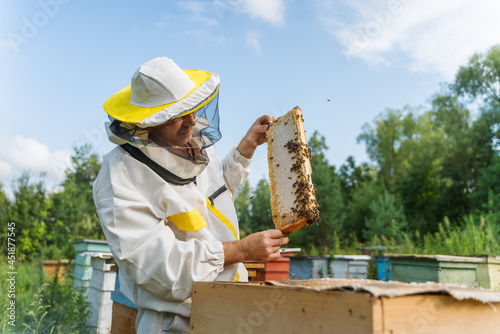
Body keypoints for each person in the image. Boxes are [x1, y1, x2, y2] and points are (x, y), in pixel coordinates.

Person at [92, 57, 289, 333]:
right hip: (176, 322)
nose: (192, 121)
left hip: (229, 308)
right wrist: (241, 250)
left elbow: (215, 196)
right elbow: (157, 267)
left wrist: (246, 147)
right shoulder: (120, 176)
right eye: (178, 115)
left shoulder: (191, 143)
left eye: (192, 108)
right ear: (150, 121)